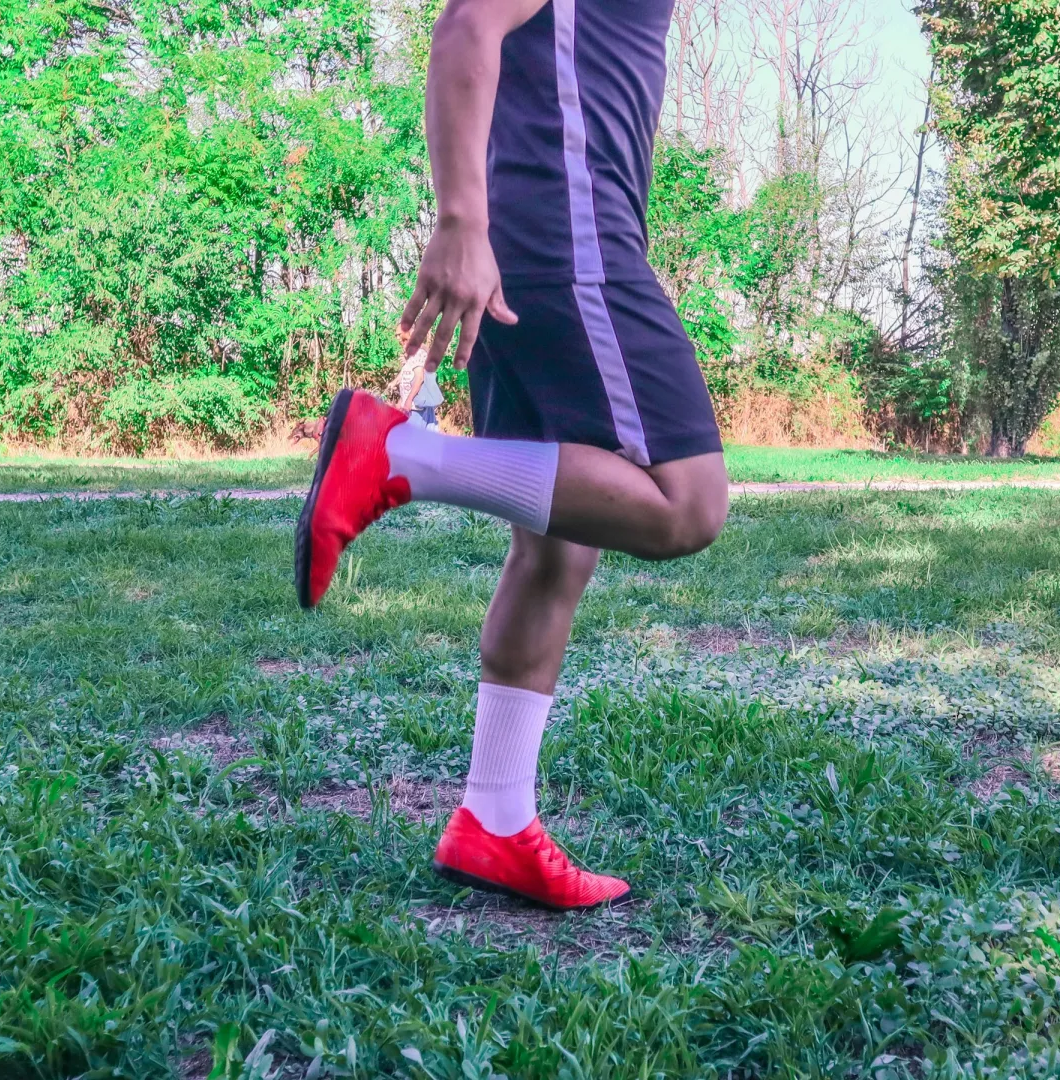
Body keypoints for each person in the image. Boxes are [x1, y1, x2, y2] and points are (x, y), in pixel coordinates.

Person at [295, 0, 726, 910]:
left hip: (536, 240)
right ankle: (401, 456)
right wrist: (460, 220)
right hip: (563, 236)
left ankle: (493, 818)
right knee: (686, 503)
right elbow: (466, 24)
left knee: (555, 550)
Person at [397, 352, 444, 427]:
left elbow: (420, 378)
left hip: (415, 406)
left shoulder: (418, 354)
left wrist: (409, 400)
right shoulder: (409, 360)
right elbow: (405, 381)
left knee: (413, 435)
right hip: (408, 407)